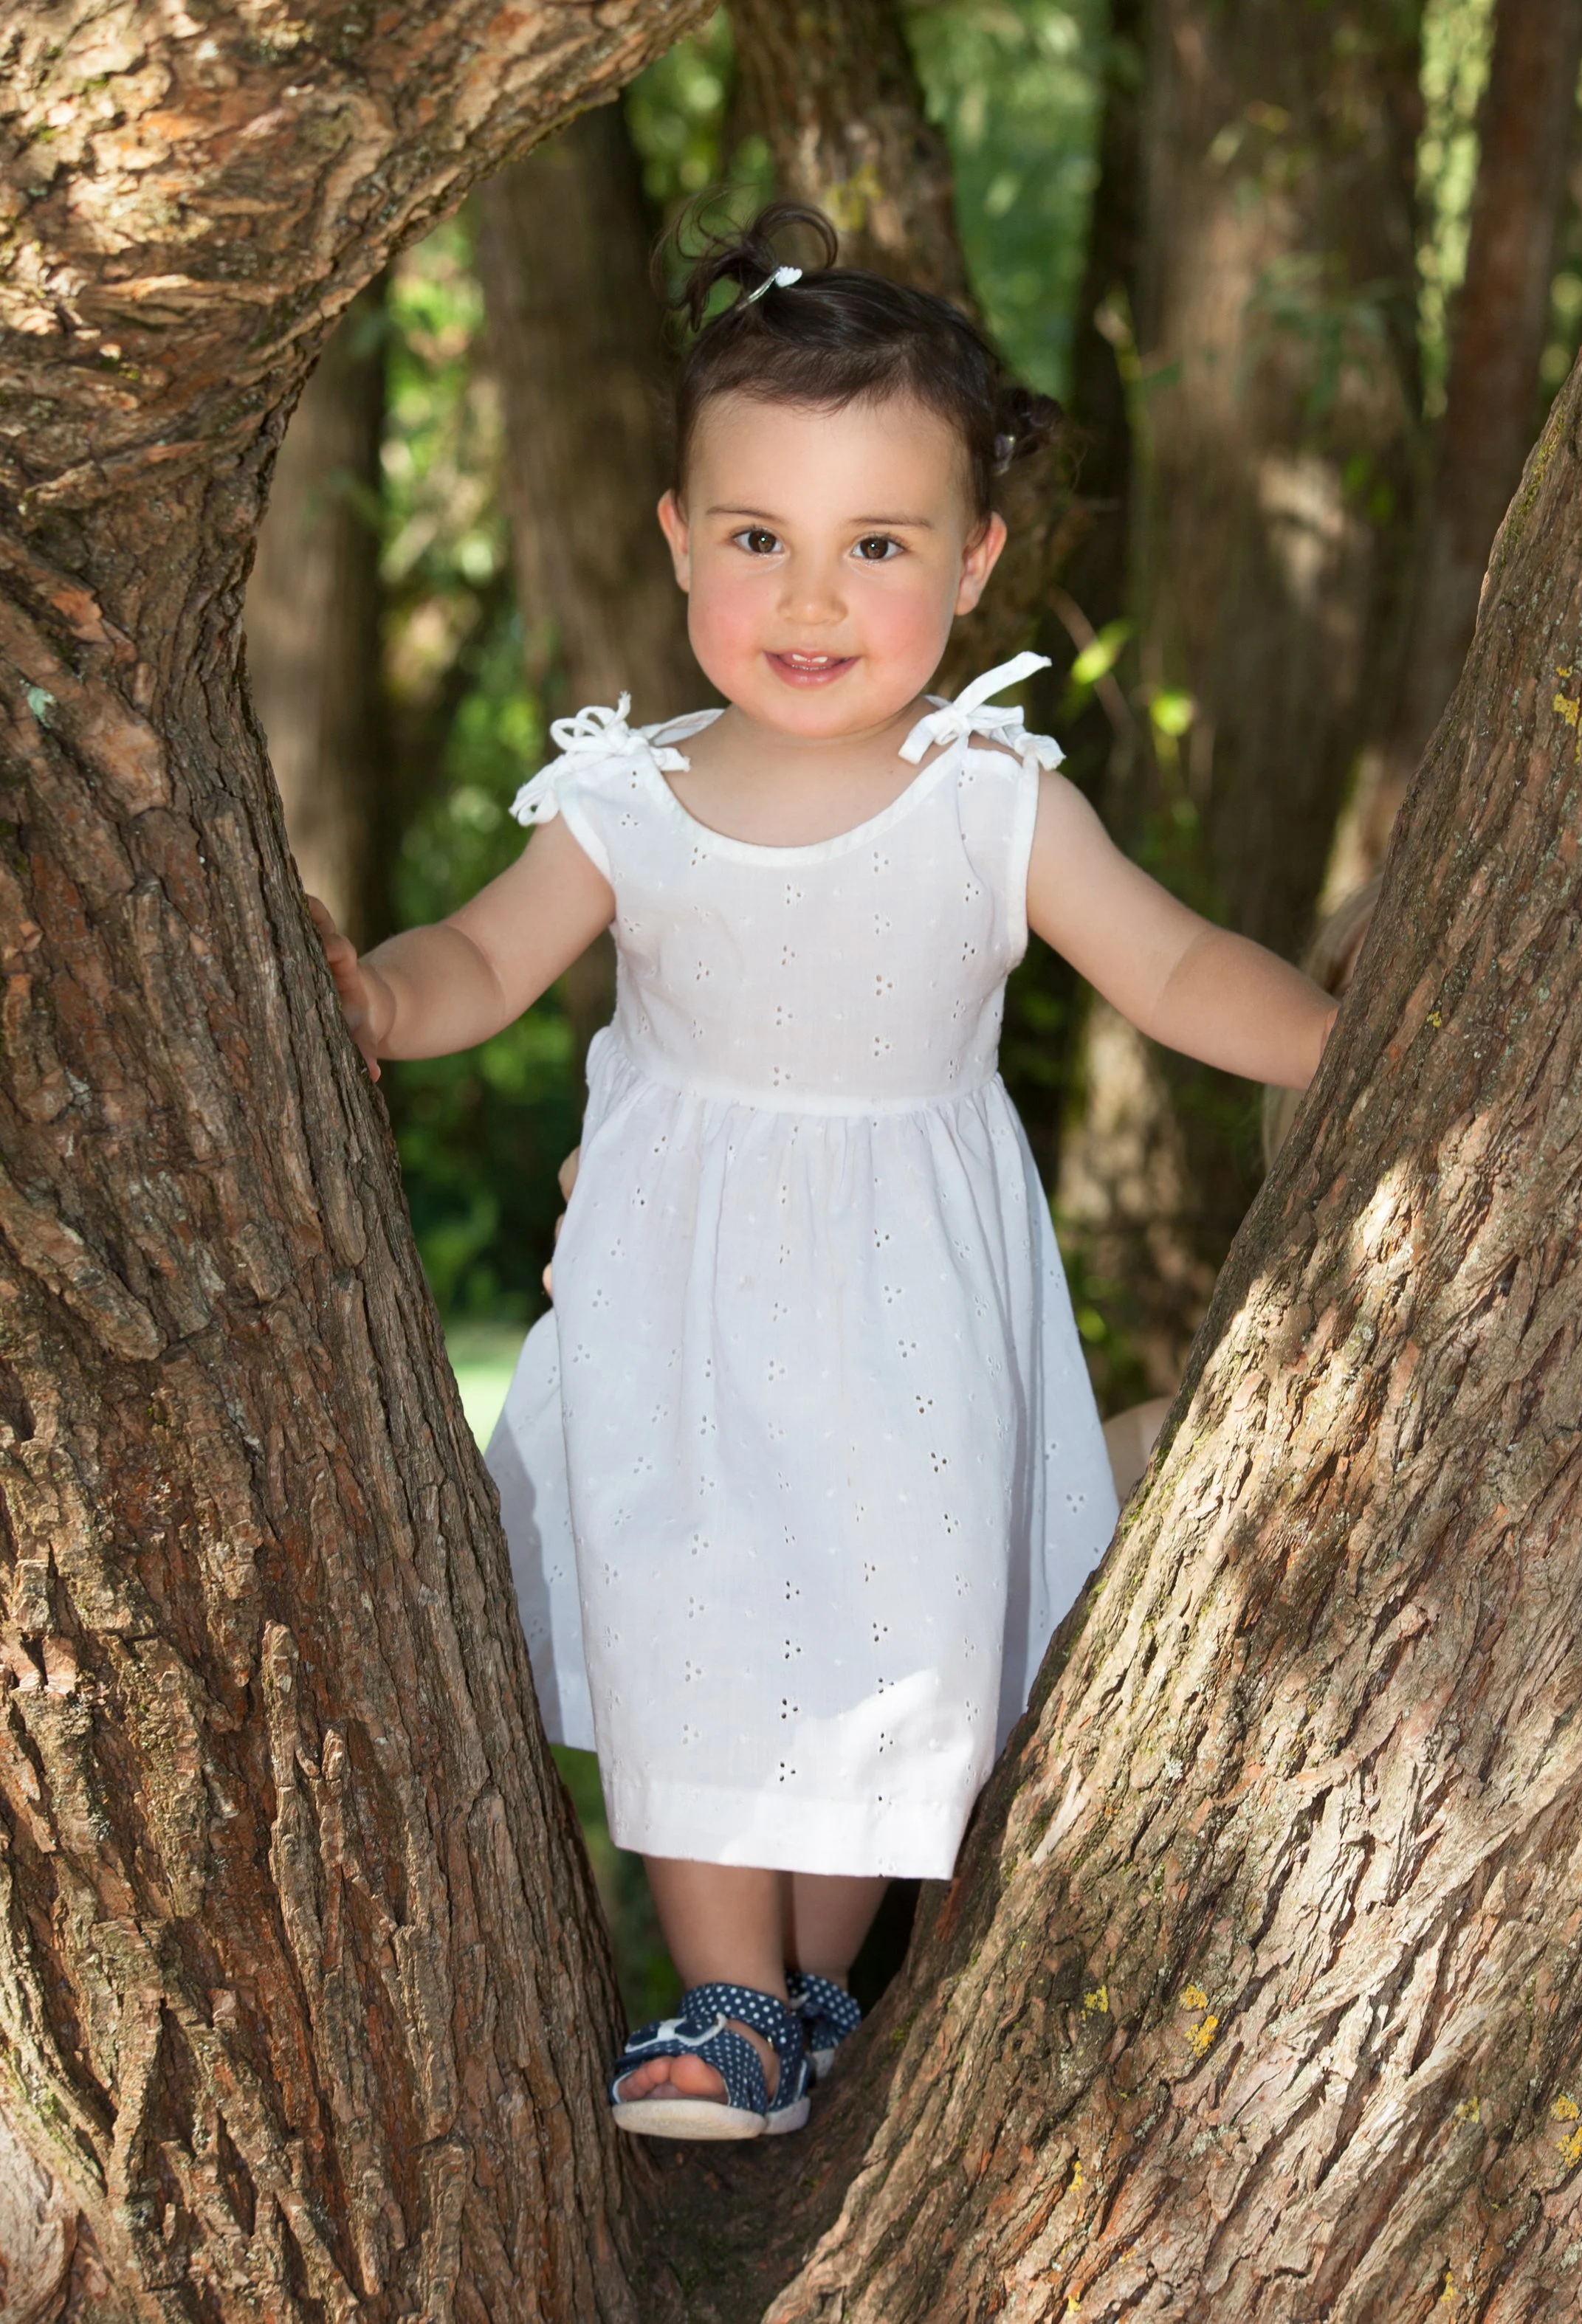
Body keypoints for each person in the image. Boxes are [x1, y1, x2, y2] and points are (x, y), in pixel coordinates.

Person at [312, 201, 1338, 2143]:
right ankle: (722, 1989)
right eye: (760, 537)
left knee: (895, 1636)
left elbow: (1179, 962)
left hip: (908, 1313)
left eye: (877, 543)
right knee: (690, 1609)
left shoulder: (990, 801)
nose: (813, 593)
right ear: (681, 544)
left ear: (974, 565)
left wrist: (1346, 1043)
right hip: (678, 1300)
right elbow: (482, 956)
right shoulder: (630, 797)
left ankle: (806, 1988)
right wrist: (372, 993)